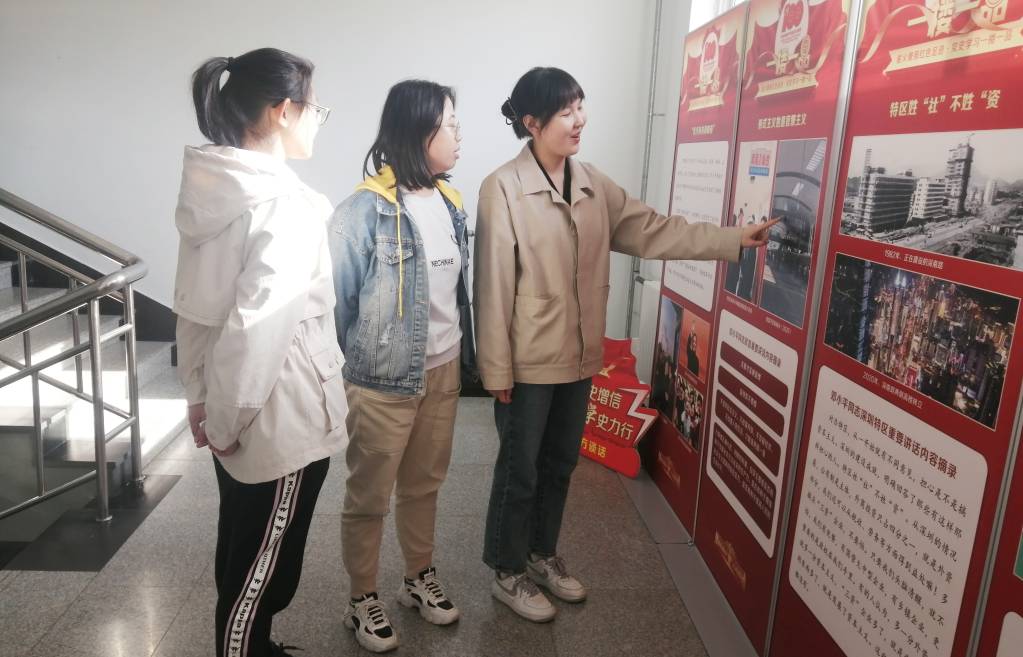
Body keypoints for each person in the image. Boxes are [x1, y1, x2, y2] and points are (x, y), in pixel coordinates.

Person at [474, 66, 776, 622]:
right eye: (565, 112)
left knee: (560, 463)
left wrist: (732, 239)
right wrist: (495, 370)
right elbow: (490, 286)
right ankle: (507, 570)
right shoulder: (503, 188)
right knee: (521, 470)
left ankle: (541, 554)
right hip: (527, 360)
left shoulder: (593, 185)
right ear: (531, 122)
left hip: (580, 356)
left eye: (580, 106)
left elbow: (655, 230)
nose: (579, 120)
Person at [174, 48, 347, 657]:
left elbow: (194, 308)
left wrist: (201, 398)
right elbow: (257, 330)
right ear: (282, 111)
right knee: (262, 573)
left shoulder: (218, 190)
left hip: (239, 409)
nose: (318, 119)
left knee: (242, 548)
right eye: (315, 108)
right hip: (277, 417)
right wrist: (226, 420)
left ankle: (257, 646)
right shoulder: (284, 205)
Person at [328, 79, 476, 653]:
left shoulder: (451, 203)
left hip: (443, 370)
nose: (459, 135)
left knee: (424, 484)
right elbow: (341, 305)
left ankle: (417, 577)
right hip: (383, 380)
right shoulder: (362, 212)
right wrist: (363, 369)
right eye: (450, 125)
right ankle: (361, 598)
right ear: (419, 131)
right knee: (369, 494)